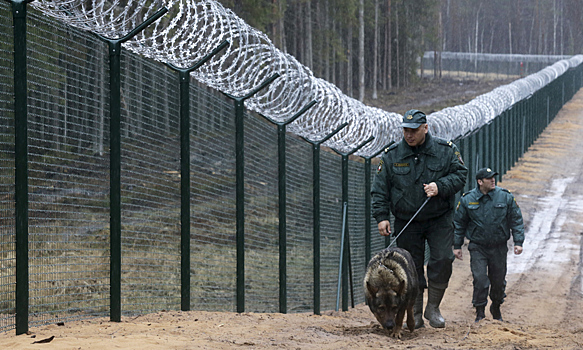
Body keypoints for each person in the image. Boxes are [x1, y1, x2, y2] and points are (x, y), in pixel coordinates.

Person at [371, 109, 468, 329]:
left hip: (439, 218)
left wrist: (440, 186)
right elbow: (380, 189)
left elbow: (461, 175)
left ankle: (433, 307)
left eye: (414, 130)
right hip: (407, 221)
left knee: (443, 259)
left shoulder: (445, 151)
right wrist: (381, 217)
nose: (409, 135)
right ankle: (414, 311)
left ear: (425, 128)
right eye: (406, 130)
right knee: (409, 268)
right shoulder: (392, 155)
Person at [453, 167, 524, 322]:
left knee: (498, 281)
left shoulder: (504, 197)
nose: (493, 180)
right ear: (480, 182)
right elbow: (459, 224)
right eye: (489, 178)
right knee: (480, 279)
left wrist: (518, 242)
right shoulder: (467, 199)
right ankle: (480, 312)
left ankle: (496, 306)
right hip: (478, 247)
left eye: (493, 177)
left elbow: (516, 220)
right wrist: (457, 246)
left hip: (498, 247)